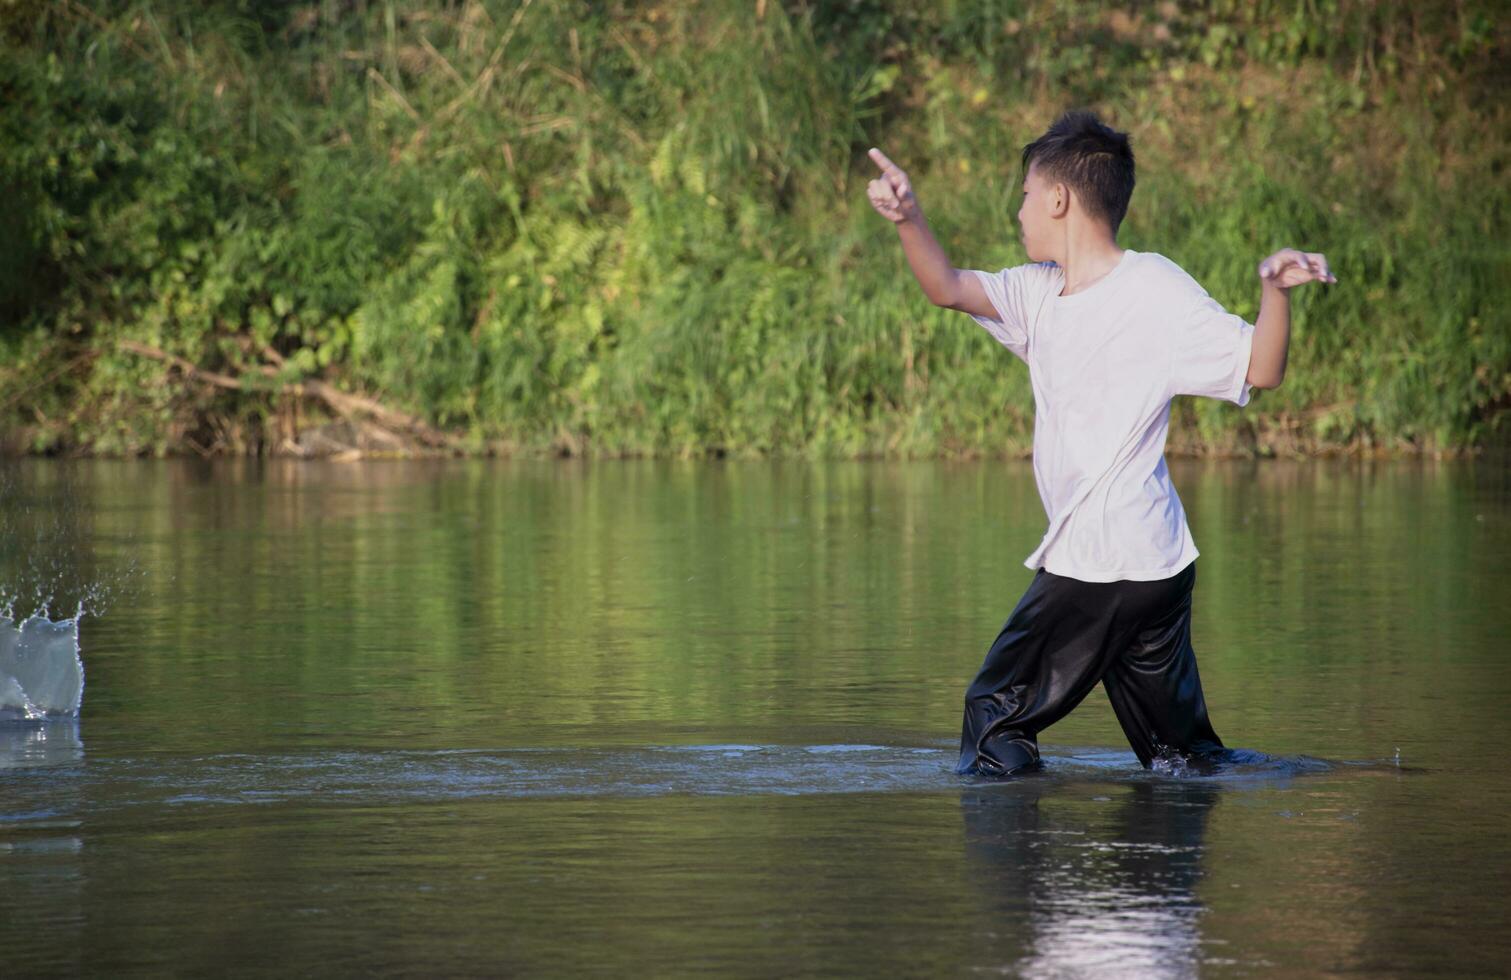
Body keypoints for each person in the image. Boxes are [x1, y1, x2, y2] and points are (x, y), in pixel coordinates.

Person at [865, 109, 1336, 776]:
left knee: (994, 710)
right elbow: (945, 287)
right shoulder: (1037, 294)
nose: (1020, 211)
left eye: (1025, 195)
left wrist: (1272, 294)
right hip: (1156, 567)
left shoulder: (1155, 290)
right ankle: (1331, 783)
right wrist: (907, 217)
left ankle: (1029, 880)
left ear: (1058, 198)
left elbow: (1259, 369)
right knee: (1179, 757)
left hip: (1103, 556)